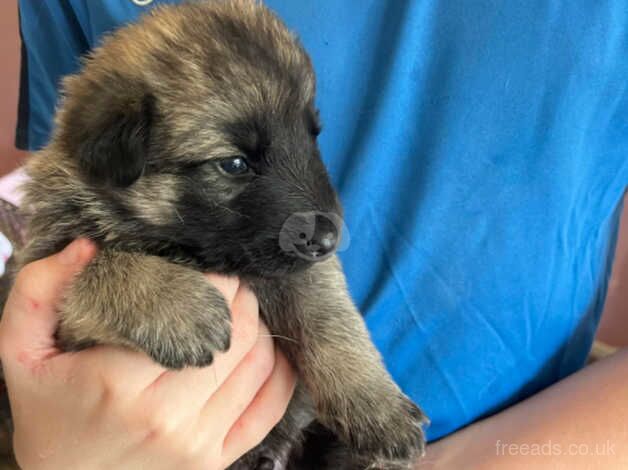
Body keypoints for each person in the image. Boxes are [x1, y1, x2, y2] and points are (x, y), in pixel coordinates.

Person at [3, 0, 628, 468]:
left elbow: (310, 294)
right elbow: (57, 286)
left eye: (308, 137)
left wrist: (358, 389)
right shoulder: (97, 163)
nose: (324, 223)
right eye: (235, 164)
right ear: (116, 152)